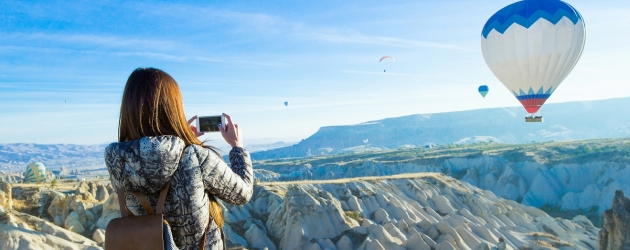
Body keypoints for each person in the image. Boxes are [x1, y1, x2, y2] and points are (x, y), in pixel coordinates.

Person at [105, 67, 253, 250]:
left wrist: (178, 143)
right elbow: (243, 193)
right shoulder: (195, 157)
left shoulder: (119, 163)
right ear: (172, 109)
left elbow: (152, 161)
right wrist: (237, 148)